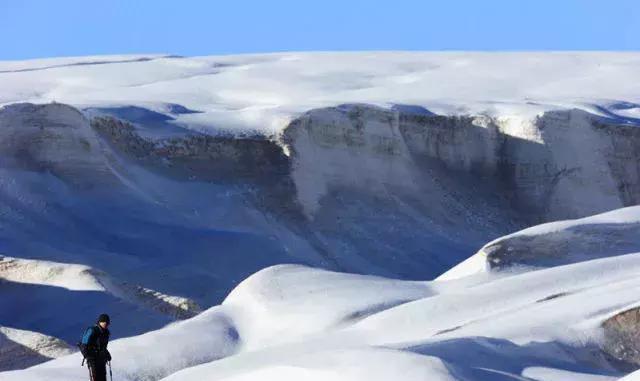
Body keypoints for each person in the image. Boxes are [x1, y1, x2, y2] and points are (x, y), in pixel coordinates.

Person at [79, 314, 112, 381]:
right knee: (95, 378)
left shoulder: (106, 332)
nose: (106, 324)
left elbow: (103, 347)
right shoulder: (92, 330)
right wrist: (88, 356)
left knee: (103, 378)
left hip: (101, 359)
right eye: (105, 322)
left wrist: (107, 354)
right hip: (93, 359)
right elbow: (84, 345)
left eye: (107, 323)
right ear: (100, 322)